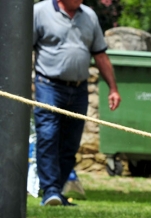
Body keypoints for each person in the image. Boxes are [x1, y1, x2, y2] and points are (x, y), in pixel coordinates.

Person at [33, 0, 121, 206]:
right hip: (49, 85)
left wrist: (113, 88)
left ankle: (57, 190)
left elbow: (100, 55)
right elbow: (19, 48)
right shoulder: (39, 12)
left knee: (70, 143)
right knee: (48, 135)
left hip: (79, 89)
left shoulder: (89, 15)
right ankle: (50, 190)